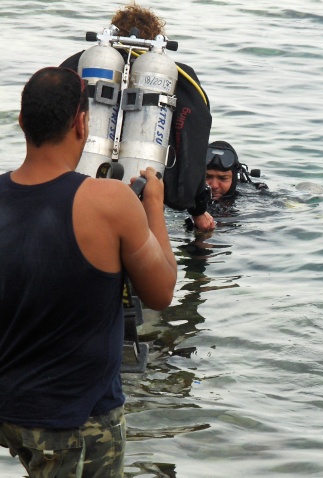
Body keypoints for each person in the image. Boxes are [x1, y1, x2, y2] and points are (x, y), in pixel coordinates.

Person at [0, 67, 177, 476]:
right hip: (75, 421)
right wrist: (153, 205)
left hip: (8, 406)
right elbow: (162, 292)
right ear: (83, 122)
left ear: (22, 121)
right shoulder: (109, 201)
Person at [60, 3, 215, 231]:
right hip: (141, 193)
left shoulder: (78, 64)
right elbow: (193, 138)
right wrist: (196, 208)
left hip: (76, 190)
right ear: (155, 38)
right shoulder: (180, 77)